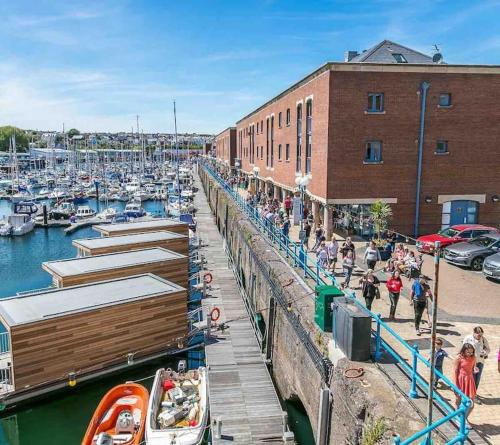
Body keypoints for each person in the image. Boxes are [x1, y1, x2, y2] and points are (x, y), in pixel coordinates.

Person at [454, 343, 478, 425]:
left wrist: (475, 369)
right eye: (468, 352)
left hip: (469, 380)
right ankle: (457, 416)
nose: (470, 354)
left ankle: (464, 418)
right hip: (461, 380)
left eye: (471, 352)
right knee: (458, 399)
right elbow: (455, 371)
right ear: (464, 351)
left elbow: (474, 367)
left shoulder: (473, 357)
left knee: (471, 404)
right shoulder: (459, 358)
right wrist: (456, 384)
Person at [463, 327, 490, 391]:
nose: (479, 336)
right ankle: (468, 391)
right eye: (478, 334)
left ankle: (474, 392)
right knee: (470, 377)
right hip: (470, 362)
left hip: (480, 361)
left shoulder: (483, 339)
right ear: (474, 333)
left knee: (477, 379)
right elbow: (463, 349)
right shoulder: (468, 338)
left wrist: (485, 352)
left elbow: (488, 349)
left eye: (481, 334)